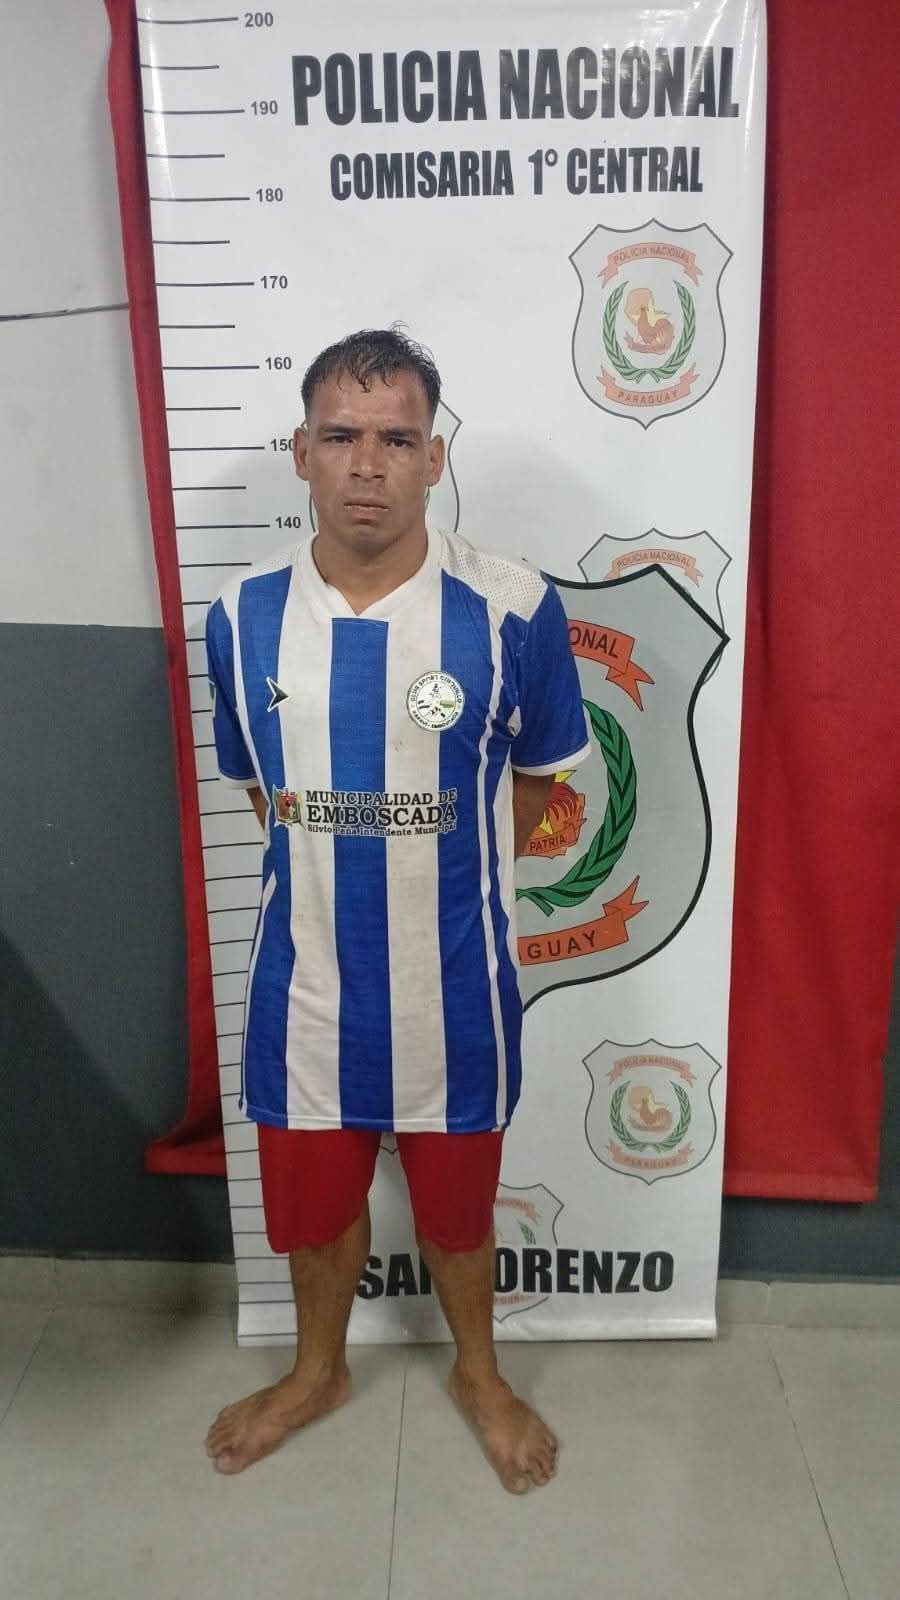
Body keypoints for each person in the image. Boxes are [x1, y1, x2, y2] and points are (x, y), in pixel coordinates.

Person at [203, 328, 590, 1492]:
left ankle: (480, 1373)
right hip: (305, 988)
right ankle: (318, 1370)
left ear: (433, 457)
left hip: (454, 989)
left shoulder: (513, 605)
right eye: (340, 436)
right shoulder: (240, 615)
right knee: (315, 1211)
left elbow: (540, 787)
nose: (366, 464)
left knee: (459, 1214)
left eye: (395, 438)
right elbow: (265, 791)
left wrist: (440, 872)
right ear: (301, 453)